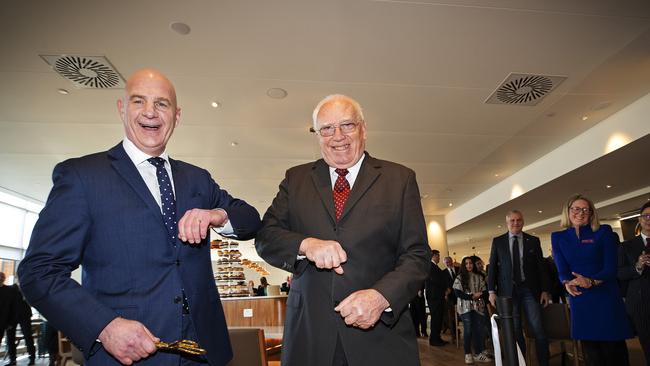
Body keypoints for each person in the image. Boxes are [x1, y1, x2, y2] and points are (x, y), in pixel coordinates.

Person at [18, 69, 261, 366]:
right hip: (129, 355)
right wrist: (105, 327)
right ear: (122, 108)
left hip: (206, 353)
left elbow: (250, 218)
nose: (150, 112)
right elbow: (38, 272)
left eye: (162, 103)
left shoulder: (197, 179)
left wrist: (217, 214)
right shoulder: (83, 177)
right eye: (138, 101)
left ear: (177, 115)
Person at [255, 94, 431, 366]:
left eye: (347, 125)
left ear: (363, 128)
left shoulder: (400, 179)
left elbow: (417, 255)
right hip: (310, 337)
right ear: (317, 134)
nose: (337, 136)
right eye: (326, 128)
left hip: (381, 337)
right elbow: (266, 237)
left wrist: (381, 297)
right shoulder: (296, 179)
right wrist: (306, 245)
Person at [552, 194, 632, 366]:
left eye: (585, 209)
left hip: (605, 296)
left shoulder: (604, 232)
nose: (580, 213)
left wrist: (591, 281)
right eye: (575, 209)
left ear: (591, 213)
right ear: (568, 211)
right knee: (591, 353)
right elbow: (562, 270)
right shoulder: (558, 237)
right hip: (580, 298)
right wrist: (567, 284)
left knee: (613, 350)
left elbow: (611, 269)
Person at [487, 210, 551, 366]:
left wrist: (545, 290)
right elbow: (492, 268)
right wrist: (491, 291)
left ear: (523, 221)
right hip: (508, 292)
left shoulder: (533, 240)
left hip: (530, 290)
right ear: (507, 222)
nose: (516, 223)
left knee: (538, 329)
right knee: (515, 330)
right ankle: (520, 362)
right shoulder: (498, 241)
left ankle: (544, 362)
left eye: (519, 220)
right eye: (512, 220)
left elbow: (541, 268)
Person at [618, 200, 650, 365]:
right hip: (640, 304)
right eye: (646, 215)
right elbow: (619, 274)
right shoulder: (627, 246)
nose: (648, 219)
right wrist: (638, 266)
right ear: (639, 219)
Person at [454, 257, 490, 364]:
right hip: (465, 308)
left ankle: (478, 353)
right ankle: (468, 354)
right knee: (468, 330)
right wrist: (471, 297)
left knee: (479, 330)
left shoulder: (479, 276)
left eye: (470, 263)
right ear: (463, 266)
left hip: (478, 307)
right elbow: (457, 292)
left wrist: (480, 294)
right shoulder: (460, 278)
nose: (469, 265)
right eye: (466, 263)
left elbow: (485, 291)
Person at [5, 280, 36, 365]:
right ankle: (12, 360)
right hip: (11, 317)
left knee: (28, 336)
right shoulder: (10, 288)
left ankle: (32, 358)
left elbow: (31, 302)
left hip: (24, 315)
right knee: (10, 338)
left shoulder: (27, 288)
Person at [426, 250, 449, 346]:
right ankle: (434, 340)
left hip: (437, 296)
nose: (439, 258)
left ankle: (437, 338)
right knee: (436, 318)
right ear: (433, 256)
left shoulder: (434, 266)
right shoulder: (430, 266)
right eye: (438, 256)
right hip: (434, 297)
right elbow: (436, 280)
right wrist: (446, 287)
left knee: (438, 318)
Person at [441, 256, 458, 341]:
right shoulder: (443, 272)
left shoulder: (458, 269)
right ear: (444, 263)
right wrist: (445, 293)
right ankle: (454, 333)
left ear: (452, 261)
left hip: (460, 295)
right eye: (446, 262)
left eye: (449, 261)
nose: (448, 263)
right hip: (450, 297)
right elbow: (443, 284)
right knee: (451, 316)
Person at [0, 272, 15, 352]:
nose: (1, 278)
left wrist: (10, 323)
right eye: (0, 276)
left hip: (3, 321)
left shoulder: (9, 290)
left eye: (2, 276)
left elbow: (11, 307)